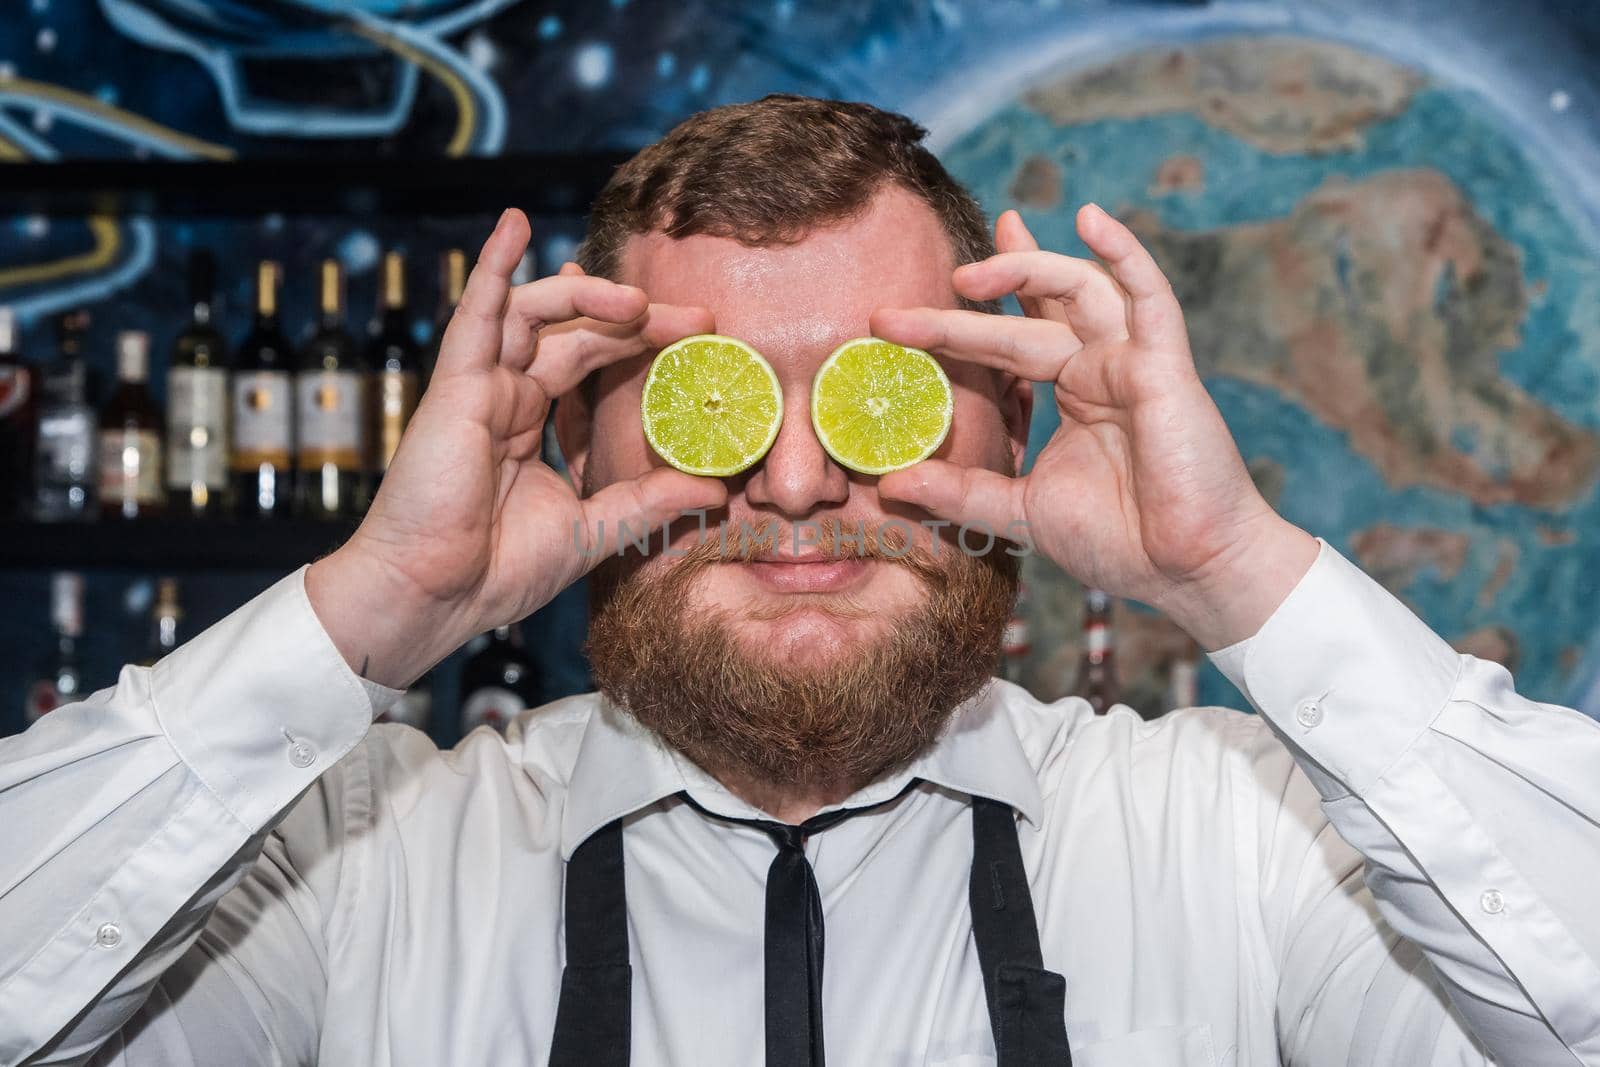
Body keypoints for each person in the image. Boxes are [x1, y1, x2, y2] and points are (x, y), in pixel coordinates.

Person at [2, 95, 1596, 1066]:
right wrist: (372, 612)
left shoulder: (1246, 844)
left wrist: (1237, 573)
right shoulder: (360, 868)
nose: (795, 482)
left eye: (874, 394)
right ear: (574, 441)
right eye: (713, 401)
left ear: (1012, 418)